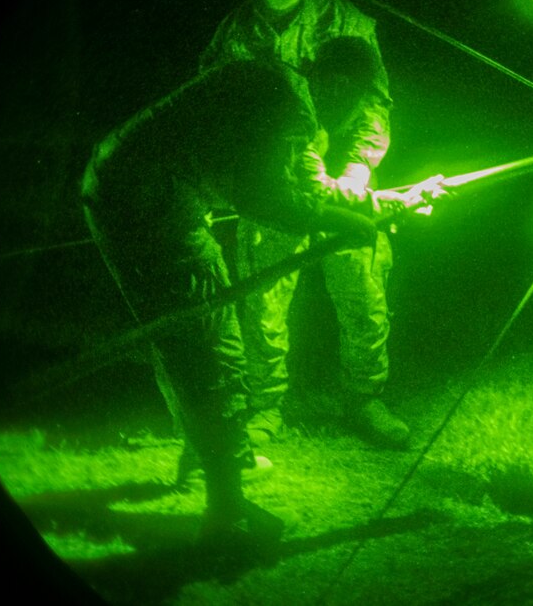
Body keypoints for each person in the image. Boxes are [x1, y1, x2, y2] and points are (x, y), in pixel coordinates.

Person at [79, 60, 414, 559]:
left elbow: (293, 187)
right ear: (337, 85)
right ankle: (227, 515)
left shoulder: (282, 85)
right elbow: (266, 199)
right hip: (150, 205)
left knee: (185, 335)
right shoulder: (286, 105)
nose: (352, 121)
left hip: (126, 187)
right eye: (356, 105)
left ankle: (210, 457)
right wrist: (345, 224)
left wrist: (357, 208)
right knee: (207, 341)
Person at [200, 0, 408, 449]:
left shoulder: (348, 21)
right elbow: (214, 116)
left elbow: (374, 102)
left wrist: (357, 170)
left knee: (363, 292)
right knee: (262, 300)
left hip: (346, 179)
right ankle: (266, 405)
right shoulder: (233, 36)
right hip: (270, 187)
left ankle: (365, 397)